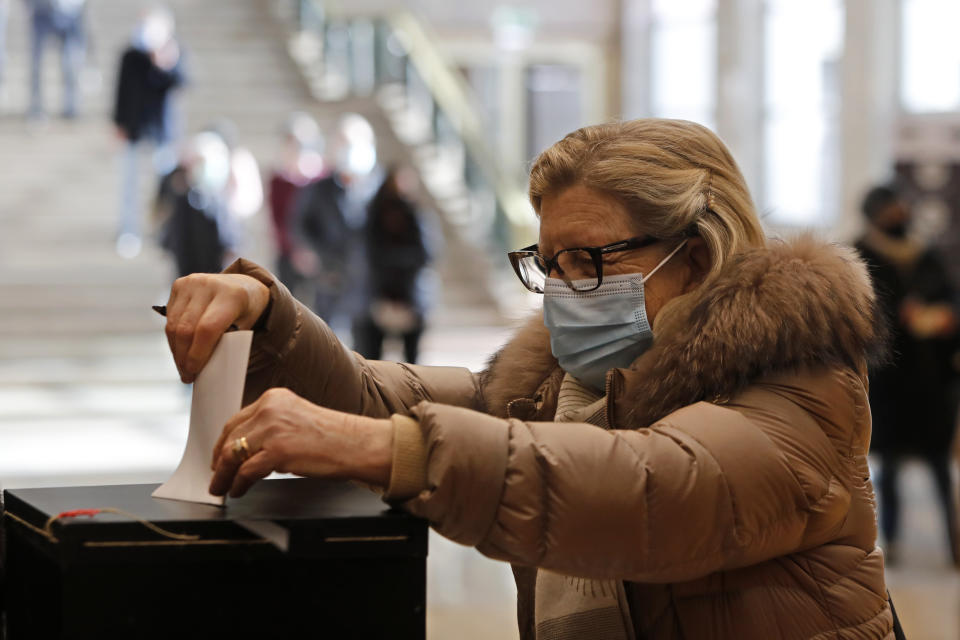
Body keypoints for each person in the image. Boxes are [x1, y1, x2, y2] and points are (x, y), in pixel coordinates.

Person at [161, 119, 895, 639]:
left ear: (696, 256)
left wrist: (394, 452)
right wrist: (265, 313)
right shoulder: (559, 385)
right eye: (550, 264)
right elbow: (378, 397)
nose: (565, 288)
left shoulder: (800, 382)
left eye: (590, 260)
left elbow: (650, 487)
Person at [855, 184, 960, 567]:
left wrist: (945, 317)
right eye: (891, 208)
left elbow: (951, 297)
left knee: (940, 466)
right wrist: (895, 318)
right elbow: (858, 315)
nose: (899, 213)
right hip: (888, 384)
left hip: (931, 383)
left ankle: (953, 543)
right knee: (890, 466)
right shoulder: (861, 254)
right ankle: (893, 544)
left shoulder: (926, 253)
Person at [291, 112, 379, 334]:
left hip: (370, 282)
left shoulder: (380, 189)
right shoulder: (320, 189)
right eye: (343, 143)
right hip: (331, 278)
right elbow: (300, 224)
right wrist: (316, 254)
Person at [112, 5, 185, 259]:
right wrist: (118, 123)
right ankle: (128, 230)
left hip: (162, 133)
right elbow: (121, 90)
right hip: (134, 130)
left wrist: (164, 64)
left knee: (164, 185)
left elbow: (182, 82)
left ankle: (163, 231)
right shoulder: (130, 55)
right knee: (130, 184)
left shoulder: (172, 54)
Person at [353, 166, 436, 363]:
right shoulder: (372, 216)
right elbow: (367, 254)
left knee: (412, 361)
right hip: (376, 295)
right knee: (370, 361)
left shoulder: (416, 216)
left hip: (410, 296)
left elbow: (426, 253)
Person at [156, 131, 237, 279]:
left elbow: (226, 234)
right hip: (189, 266)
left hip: (213, 267)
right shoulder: (183, 198)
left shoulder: (218, 200)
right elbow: (176, 232)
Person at [267, 112, 325, 296]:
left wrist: (312, 251)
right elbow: (278, 219)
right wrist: (295, 250)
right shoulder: (278, 180)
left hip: (319, 255)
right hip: (287, 255)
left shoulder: (321, 179)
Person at [26, 0, 87, 119]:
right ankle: (36, 106)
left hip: (71, 13)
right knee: (37, 66)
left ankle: (71, 107)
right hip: (41, 12)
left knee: (72, 63)